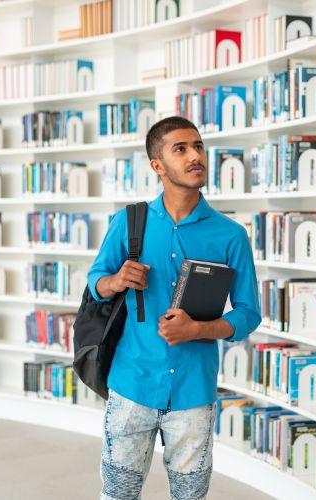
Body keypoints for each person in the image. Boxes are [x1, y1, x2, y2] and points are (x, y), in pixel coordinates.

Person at [87, 116, 261, 500]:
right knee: (117, 494)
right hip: (131, 385)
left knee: (190, 497)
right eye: (180, 149)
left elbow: (249, 313)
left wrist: (198, 330)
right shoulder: (128, 222)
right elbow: (95, 283)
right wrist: (115, 281)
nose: (194, 156)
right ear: (158, 165)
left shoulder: (231, 235)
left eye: (197, 146)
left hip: (193, 393)